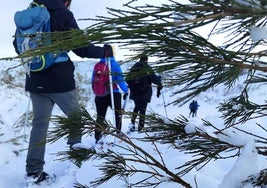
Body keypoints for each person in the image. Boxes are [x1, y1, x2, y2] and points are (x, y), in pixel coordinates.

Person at [13, 0, 114, 183]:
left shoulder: (32, 12)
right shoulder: (63, 14)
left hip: (35, 79)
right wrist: (103, 51)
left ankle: (34, 171)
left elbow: (17, 45)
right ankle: (75, 155)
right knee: (76, 117)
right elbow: (81, 48)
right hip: (60, 81)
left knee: (39, 124)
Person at [92, 57, 129, 144]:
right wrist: (127, 91)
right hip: (113, 93)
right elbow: (120, 80)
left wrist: (97, 91)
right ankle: (118, 133)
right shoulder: (114, 65)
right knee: (118, 114)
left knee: (100, 116)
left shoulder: (97, 65)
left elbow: (93, 80)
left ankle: (97, 136)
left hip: (99, 95)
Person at [126, 55, 162, 132]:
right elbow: (155, 80)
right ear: (146, 60)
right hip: (145, 92)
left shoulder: (134, 67)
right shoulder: (147, 67)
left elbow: (127, 79)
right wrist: (159, 78)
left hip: (135, 92)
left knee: (136, 107)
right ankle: (140, 128)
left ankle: (132, 124)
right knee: (142, 110)